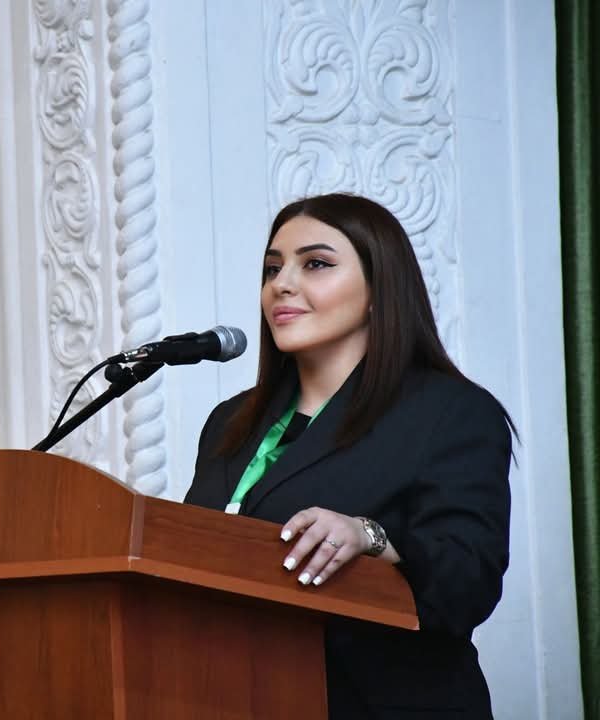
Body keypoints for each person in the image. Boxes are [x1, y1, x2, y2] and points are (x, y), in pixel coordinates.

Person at [184, 193, 513, 719]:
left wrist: (370, 537)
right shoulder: (231, 421)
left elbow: (469, 581)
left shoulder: (450, 412)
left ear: (380, 289)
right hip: (238, 696)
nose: (282, 284)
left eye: (315, 264)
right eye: (272, 268)